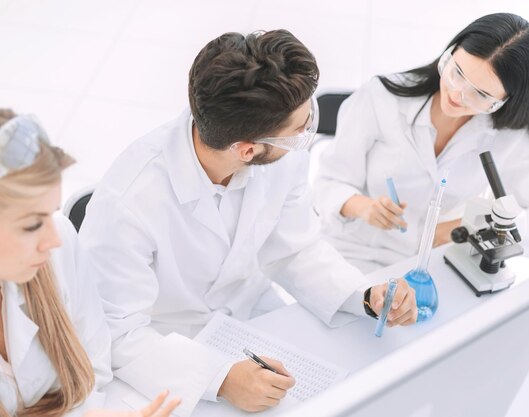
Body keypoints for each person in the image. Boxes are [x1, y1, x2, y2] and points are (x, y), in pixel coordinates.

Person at [78, 30, 417, 413]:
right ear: (247, 149)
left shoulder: (281, 154)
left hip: (252, 316)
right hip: (165, 351)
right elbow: (118, 331)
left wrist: (363, 295)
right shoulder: (129, 201)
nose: (306, 135)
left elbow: (294, 249)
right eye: (299, 131)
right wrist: (219, 378)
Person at [312, 13, 529, 273]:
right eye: (457, 72)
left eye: (480, 93)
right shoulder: (381, 97)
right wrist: (364, 207)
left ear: (505, 100)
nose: (457, 94)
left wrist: (467, 228)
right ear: (450, 52)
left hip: (432, 264)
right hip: (350, 253)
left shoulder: (508, 138)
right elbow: (327, 183)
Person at [0, 110, 180, 417]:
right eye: (32, 225)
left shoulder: (58, 246)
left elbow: (91, 369)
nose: (53, 239)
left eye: (50, 213)